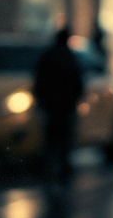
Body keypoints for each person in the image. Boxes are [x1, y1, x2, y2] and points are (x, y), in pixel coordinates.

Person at [32, 26, 84, 179]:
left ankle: (49, 167)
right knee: (64, 138)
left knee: (51, 139)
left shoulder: (48, 56)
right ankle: (62, 167)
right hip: (65, 106)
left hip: (51, 106)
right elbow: (77, 82)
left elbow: (39, 80)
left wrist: (41, 100)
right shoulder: (69, 57)